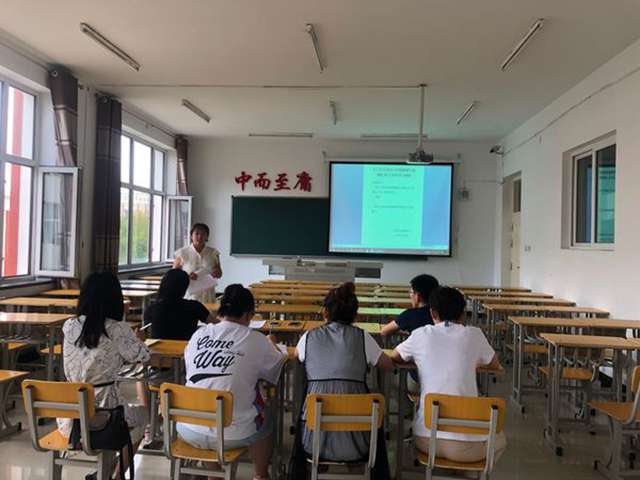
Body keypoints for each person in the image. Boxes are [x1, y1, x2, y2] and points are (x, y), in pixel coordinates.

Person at [178, 284, 287, 480]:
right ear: (247, 314)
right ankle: (260, 475)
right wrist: (272, 343)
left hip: (188, 427)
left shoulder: (199, 334)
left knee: (209, 395)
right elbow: (274, 368)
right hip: (232, 434)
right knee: (267, 417)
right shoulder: (256, 339)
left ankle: (213, 475)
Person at [388, 286, 506, 463]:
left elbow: (394, 356)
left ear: (433, 313)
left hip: (425, 439)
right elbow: (494, 364)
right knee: (500, 438)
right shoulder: (474, 334)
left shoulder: (421, 334)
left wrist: (419, 360)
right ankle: (471, 473)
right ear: (463, 314)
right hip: (467, 447)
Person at [58, 272, 150, 478]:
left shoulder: (69, 326)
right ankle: (114, 476)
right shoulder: (117, 329)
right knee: (143, 416)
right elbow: (142, 356)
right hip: (105, 419)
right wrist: (140, 339)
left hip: (70, 419)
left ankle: (105, 473)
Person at [294, 282, 393, 468]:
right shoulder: (363, 337)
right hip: (359, 444)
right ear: (355, 315)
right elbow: (387, 365)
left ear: (325, 312)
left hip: (313, 442)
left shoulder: (308, 337)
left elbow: (296, 356)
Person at [144, 269, 211, 340]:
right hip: (186, 346)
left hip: (158, 347)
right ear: (184, 288)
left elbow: (146, 333)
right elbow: (216, 325)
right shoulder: (195, 307)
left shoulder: (151, 309)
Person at [173, 223, 222, 304]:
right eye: (197, 233)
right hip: (189, 295)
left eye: (203, 234)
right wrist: (187, 276)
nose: (200, 236)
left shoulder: (213, 252)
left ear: (207, 237)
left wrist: (216, 273)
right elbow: (173, 275)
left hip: (208, 295)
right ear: (191, 236)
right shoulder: (182, 252)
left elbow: (220, 273)